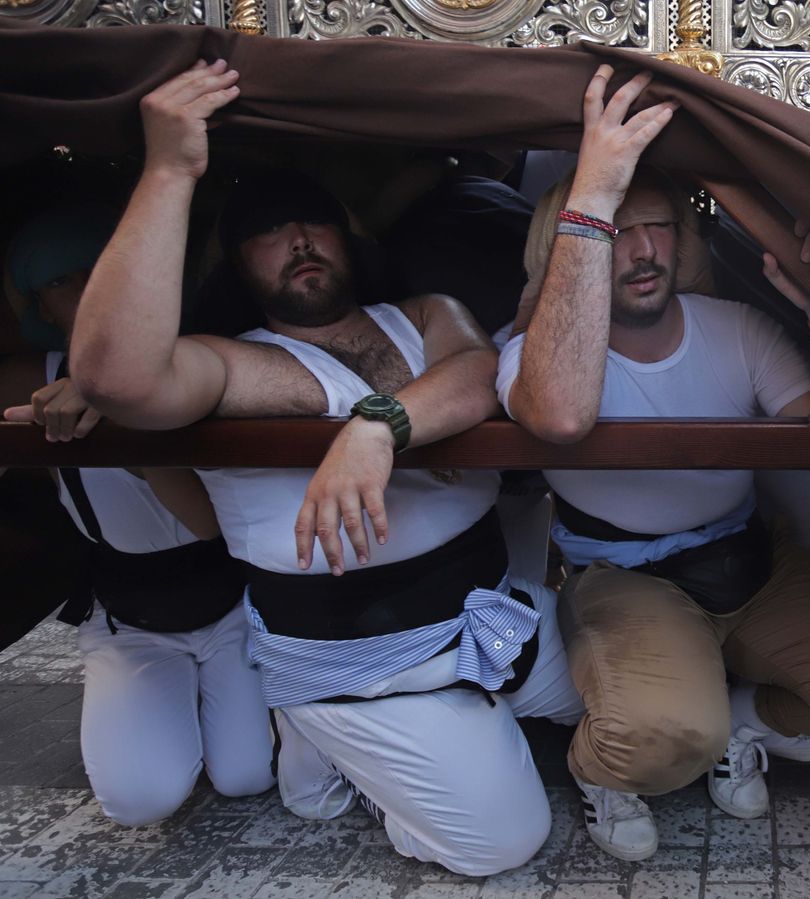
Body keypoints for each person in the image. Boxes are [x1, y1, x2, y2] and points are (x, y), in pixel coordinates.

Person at [68, 60, 582, 876]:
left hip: (491, 617)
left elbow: (480, 370)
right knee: (505, 842)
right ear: (238, 263)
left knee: (616, 701)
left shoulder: (421, 315)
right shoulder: (229, 364)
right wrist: (170, 169)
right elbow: (116, 378)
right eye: (268, 231)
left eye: (314, 222)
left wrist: (377, 427)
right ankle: (339, 745)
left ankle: (389, 744)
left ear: (349, 233)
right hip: (363, 663)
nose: (298, 241)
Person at [500, 64, 810, 861]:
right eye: (620, 228)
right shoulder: (530, 352)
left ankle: (744, 721)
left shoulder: (731, 325)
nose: (647, 248)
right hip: (624, 576)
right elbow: (557, 412)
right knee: (661, 739)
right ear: (577, 242)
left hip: (749, 559)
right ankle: (605, 771)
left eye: (658, 226)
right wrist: (591, 197)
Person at [1, 203, 276, 827]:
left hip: (230, 603)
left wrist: (118, 414)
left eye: (99, 267)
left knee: (244, 776)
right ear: (39, 307)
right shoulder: (26, 377)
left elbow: (208, 524)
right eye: (60, 280)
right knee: (138, 801)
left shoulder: (191, 361)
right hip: (131, 615)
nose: (88, 286)